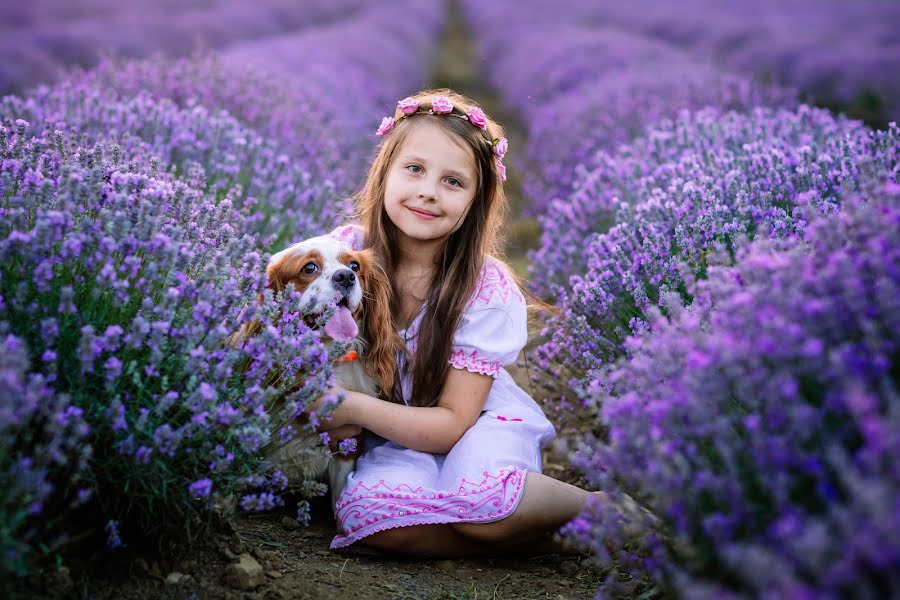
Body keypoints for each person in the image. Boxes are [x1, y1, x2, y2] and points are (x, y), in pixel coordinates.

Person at [312, 89, 605, 557]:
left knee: (480, 499)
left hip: (475, 427)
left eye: (453, 181)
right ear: (384, 172)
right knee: (369, 518)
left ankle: (598, 511)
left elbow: (452, 423)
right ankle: (529, 539)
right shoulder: (345, 254)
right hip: (396, 437)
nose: (428, 191)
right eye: (414, 169)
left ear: (475, 200)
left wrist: (350, 408)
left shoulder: (483, 289)